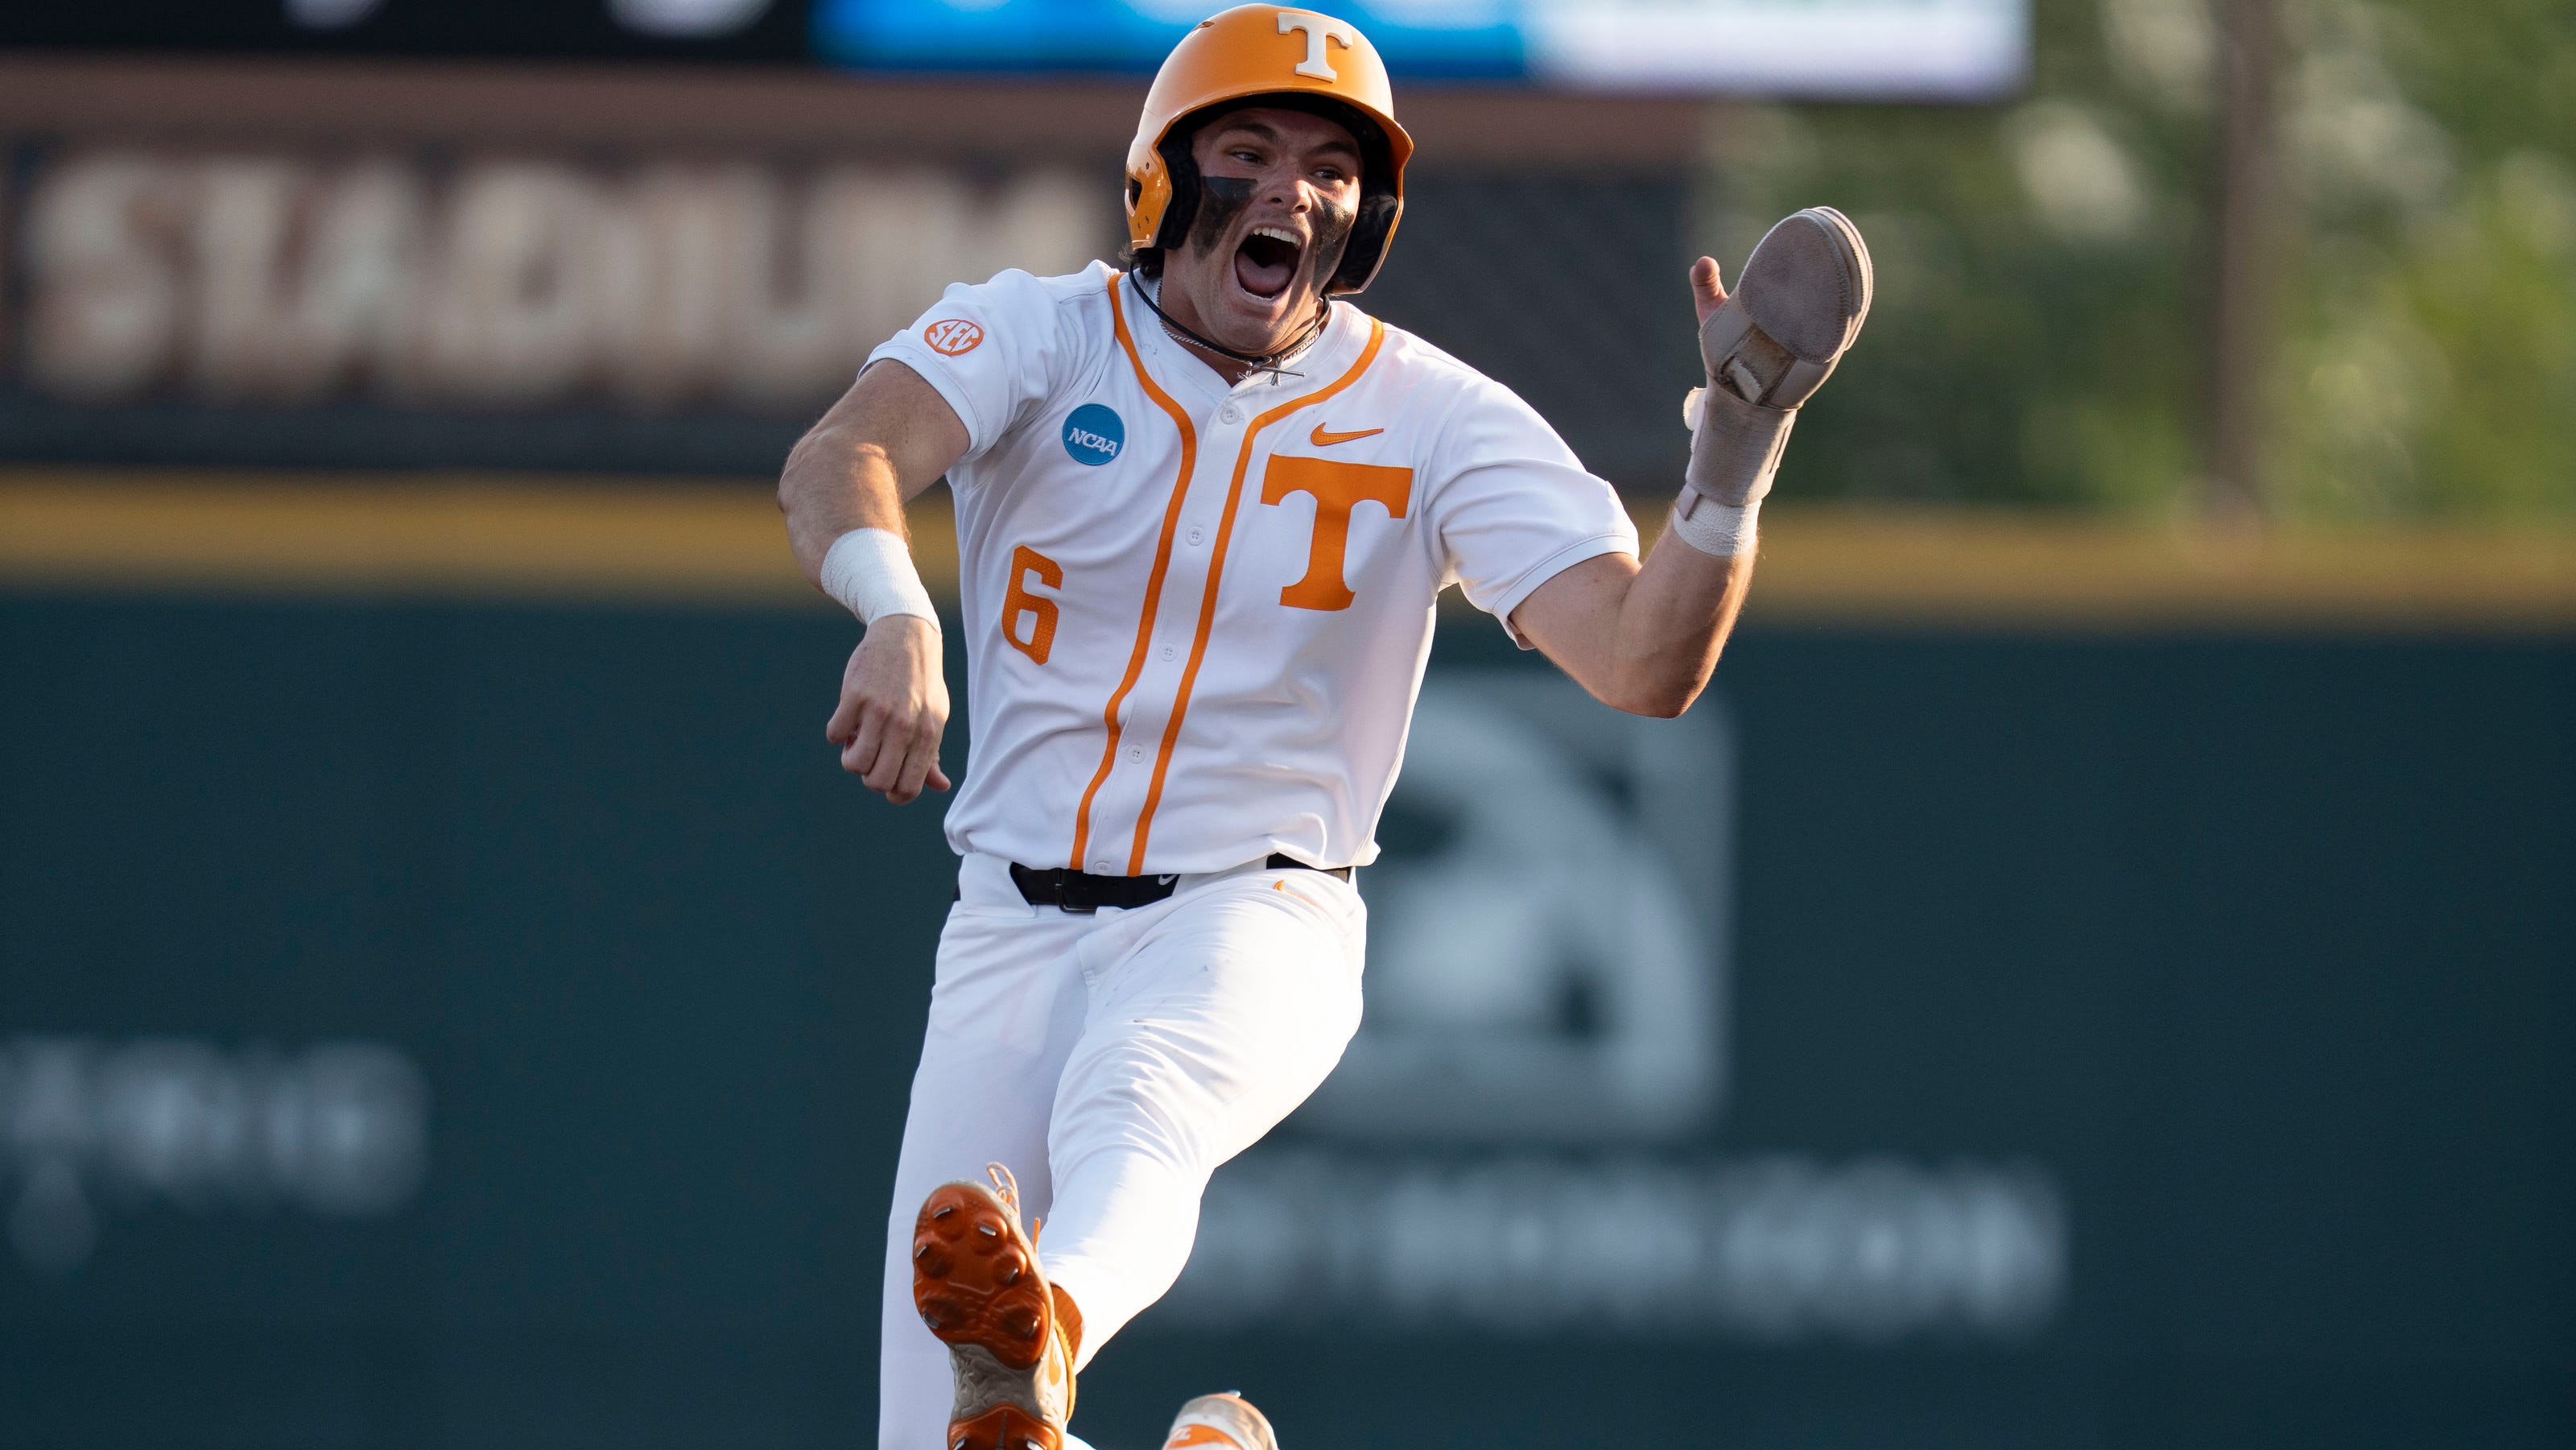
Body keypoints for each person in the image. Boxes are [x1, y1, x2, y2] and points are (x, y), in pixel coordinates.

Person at [774, 7, 1872, 1448]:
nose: (1293, 189)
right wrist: (897, 612)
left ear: (1370, 220)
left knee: (1139, 1106)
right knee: (938, 1439)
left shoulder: (1436, 415)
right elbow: (843, 452)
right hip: (1007, 925)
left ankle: (1057, 1319)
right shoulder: (1044, 331)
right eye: (1248, 150)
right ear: (1161, 180)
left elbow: (1641, 660)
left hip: (1255, 907)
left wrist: (1731, 458)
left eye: (1333, 169)